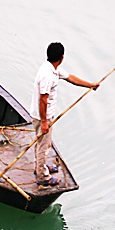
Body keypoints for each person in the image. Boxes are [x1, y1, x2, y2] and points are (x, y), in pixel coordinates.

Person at [30, 42, 100, 186]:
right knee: (44, 146)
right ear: (62, 57)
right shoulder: (47, 75)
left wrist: (90, 85)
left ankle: (40, 167)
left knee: (42, 143)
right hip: (43, 116)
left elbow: (71, 78)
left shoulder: (53, 69)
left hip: (45, 115)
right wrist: (44, 122)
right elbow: (43, 99)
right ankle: (43, 177)